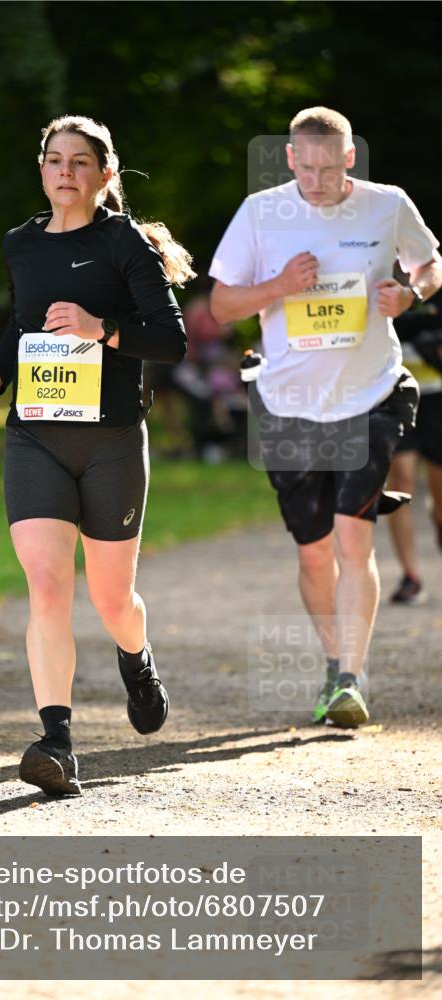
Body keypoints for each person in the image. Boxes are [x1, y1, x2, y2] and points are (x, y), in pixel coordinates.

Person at [0, 115, 193, 795]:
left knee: (111, 597)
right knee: (45, 583)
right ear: (41, 169)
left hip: (112, 440)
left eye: (80, 161)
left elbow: (172, 340)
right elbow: (20, 322)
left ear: (104, 174)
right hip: (34, 432)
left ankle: (136, 657)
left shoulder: (123, 242)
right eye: (54, 160)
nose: (65, 171)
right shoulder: (19, 244)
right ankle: (55, 741)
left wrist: (104, 331)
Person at [209, 107, 441, 728]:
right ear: (289, 159)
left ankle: (350, 677)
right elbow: (223, 303)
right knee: (314, 555)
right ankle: (334, 661)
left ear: (348, 160)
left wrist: (410, 292)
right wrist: (278, 286)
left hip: (369, 395)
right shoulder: (262, 213)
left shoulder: (386, 204)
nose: (315, 179)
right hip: (286, 405)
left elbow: (430, 264)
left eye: (326, 167)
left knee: (352, 533)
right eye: (303, 166)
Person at [386, 293, 442, 604]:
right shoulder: (375, 270)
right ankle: (411, 575)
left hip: (436, 396)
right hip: (395, 396)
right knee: (401, 480)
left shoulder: (435, 274)